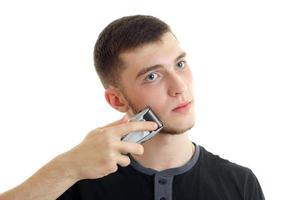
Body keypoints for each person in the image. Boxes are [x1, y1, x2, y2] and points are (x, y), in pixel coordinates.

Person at [0, 15, 265, 200]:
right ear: (117, 100)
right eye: (153, 76)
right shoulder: (76, 184)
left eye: (180, 65)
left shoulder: (240, 183)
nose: (179, 87)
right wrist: (67, 168)